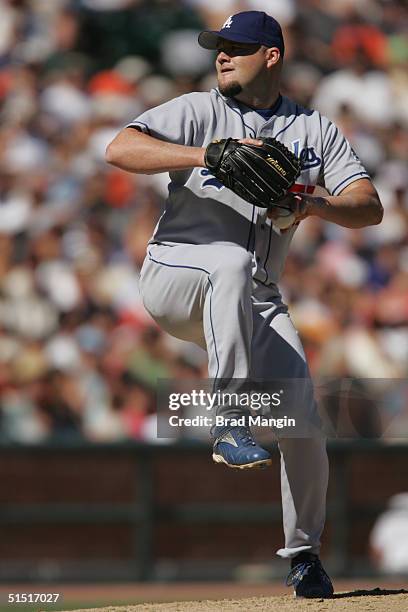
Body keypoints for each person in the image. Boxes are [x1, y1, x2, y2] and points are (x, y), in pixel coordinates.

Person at [106, 10, 383, 598]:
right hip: (176, 273)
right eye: (218, 47)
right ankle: (229, 420)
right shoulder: (197, 110)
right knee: (226, 262)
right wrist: (207, 155)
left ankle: (304, 555)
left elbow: (368, 206)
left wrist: (311, 202)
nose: (222, 56)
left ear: (272, 55)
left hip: (255, 295)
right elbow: (119, 147)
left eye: (235, 47)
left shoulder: (314, 130)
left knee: (303, 419)